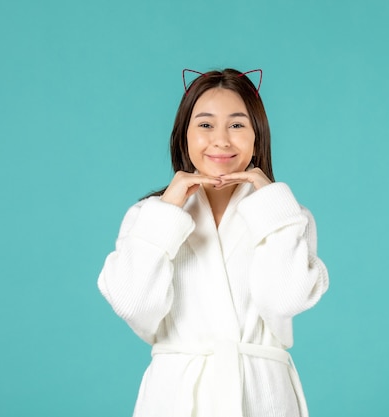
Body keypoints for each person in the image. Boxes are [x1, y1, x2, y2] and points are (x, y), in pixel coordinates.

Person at [97, 68, 329, 417]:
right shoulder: (148, 216)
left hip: (262, 397)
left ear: (257, 136)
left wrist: (271, 204)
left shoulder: (285, 215)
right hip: (176, 398)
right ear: (184, 135)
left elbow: (284, 300)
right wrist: (168, 211)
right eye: (205, 125)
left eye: (237, 125)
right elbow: (134, 304)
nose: (221, 140)